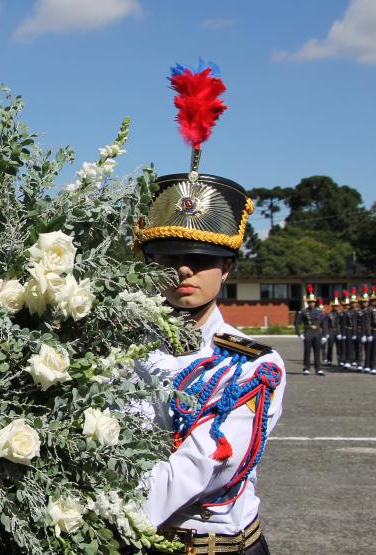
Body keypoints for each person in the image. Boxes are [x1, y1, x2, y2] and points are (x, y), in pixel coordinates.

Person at [132, 61, 284, 555]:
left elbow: (197, 466)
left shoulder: (254, 365)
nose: (183, 272)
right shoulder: (117, 353)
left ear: (228, 269)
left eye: (201, 260)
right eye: (169, 258)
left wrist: (82, 514)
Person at [295, 285, 325, 376]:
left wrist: (324, 335)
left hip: (317, 333)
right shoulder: (303, 312)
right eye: (310, 302)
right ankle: (306, 368)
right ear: (307, 302)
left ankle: (318, 368)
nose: (311, 303)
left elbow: (324, 324)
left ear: (315, 302)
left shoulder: (319, 312)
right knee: (307, 351)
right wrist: (299, 334)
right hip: (308, 332)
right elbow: (297, 323)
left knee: (317, 351)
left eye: (313, 302)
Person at [357, 285, 374, 374]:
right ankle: (360, 364)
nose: (365, 303)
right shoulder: (358, 312)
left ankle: (367, 365)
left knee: (369, 349)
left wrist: (370, 333)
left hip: (369, 332)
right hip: (360, 332)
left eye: (366, 302)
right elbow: (356, 323)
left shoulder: (371, 311)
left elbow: (372, 322)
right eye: (363, 302)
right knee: (359, 349)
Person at [324, 292, 343, 367]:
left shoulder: (340, 314)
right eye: (334, 306)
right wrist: (327, 333)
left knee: (339, 347)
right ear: (332, 306)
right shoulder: (328, 314)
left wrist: (341, 332)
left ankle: (340, 360)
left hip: (338, 332)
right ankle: (329, 360)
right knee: (330, 347)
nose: (335, 307)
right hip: (331, 331)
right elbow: (326, 324)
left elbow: (342, 324)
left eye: (336, 306)